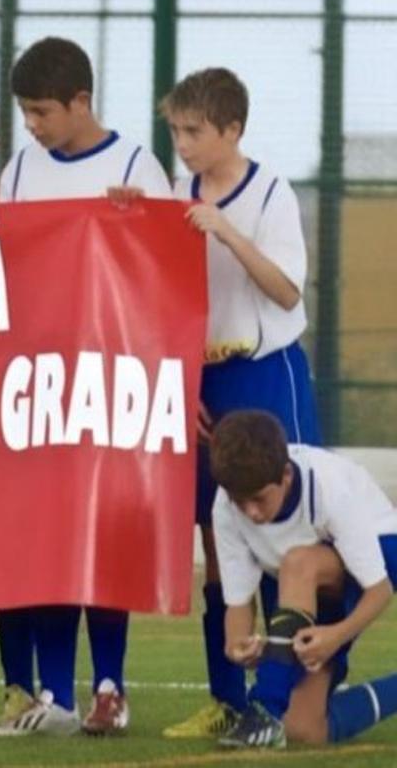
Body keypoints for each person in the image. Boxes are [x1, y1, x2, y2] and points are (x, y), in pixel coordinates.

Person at [0, 36, 171, 738]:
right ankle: (53, 691)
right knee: (47, 542)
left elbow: (162, 279)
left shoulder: (136, 165)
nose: (32, 125)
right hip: (35, 384)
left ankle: (110, 687)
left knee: (104, 540)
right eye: (25, 113)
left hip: (109, 382)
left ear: (80, 102)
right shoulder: (19, 169)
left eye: (41, 111)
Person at [159, 67, 322, 740]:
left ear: (232, 129)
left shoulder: (271, 193)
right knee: (216, 537)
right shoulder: (174, 193)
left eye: (195, 131)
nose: (184, 144)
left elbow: (286, 292)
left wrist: (225, 231)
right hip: (206, 379)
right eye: (175, 131)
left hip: (266, 372)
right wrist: (180, 380)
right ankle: (228, 698)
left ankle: (283, 698)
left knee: (288, 538)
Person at [207, 410, 397, 748]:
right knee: (304, 729)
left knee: (298, 561)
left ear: (286, 476)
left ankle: (263, 710)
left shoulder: (328, 487)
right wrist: (237, 644)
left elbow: (379, 590)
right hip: (298, 581)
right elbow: (237, 602)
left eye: (259, 498)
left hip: (379, 552)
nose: (250, 512)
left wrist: (336, 636)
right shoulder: (225, 506)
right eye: (240, 501)